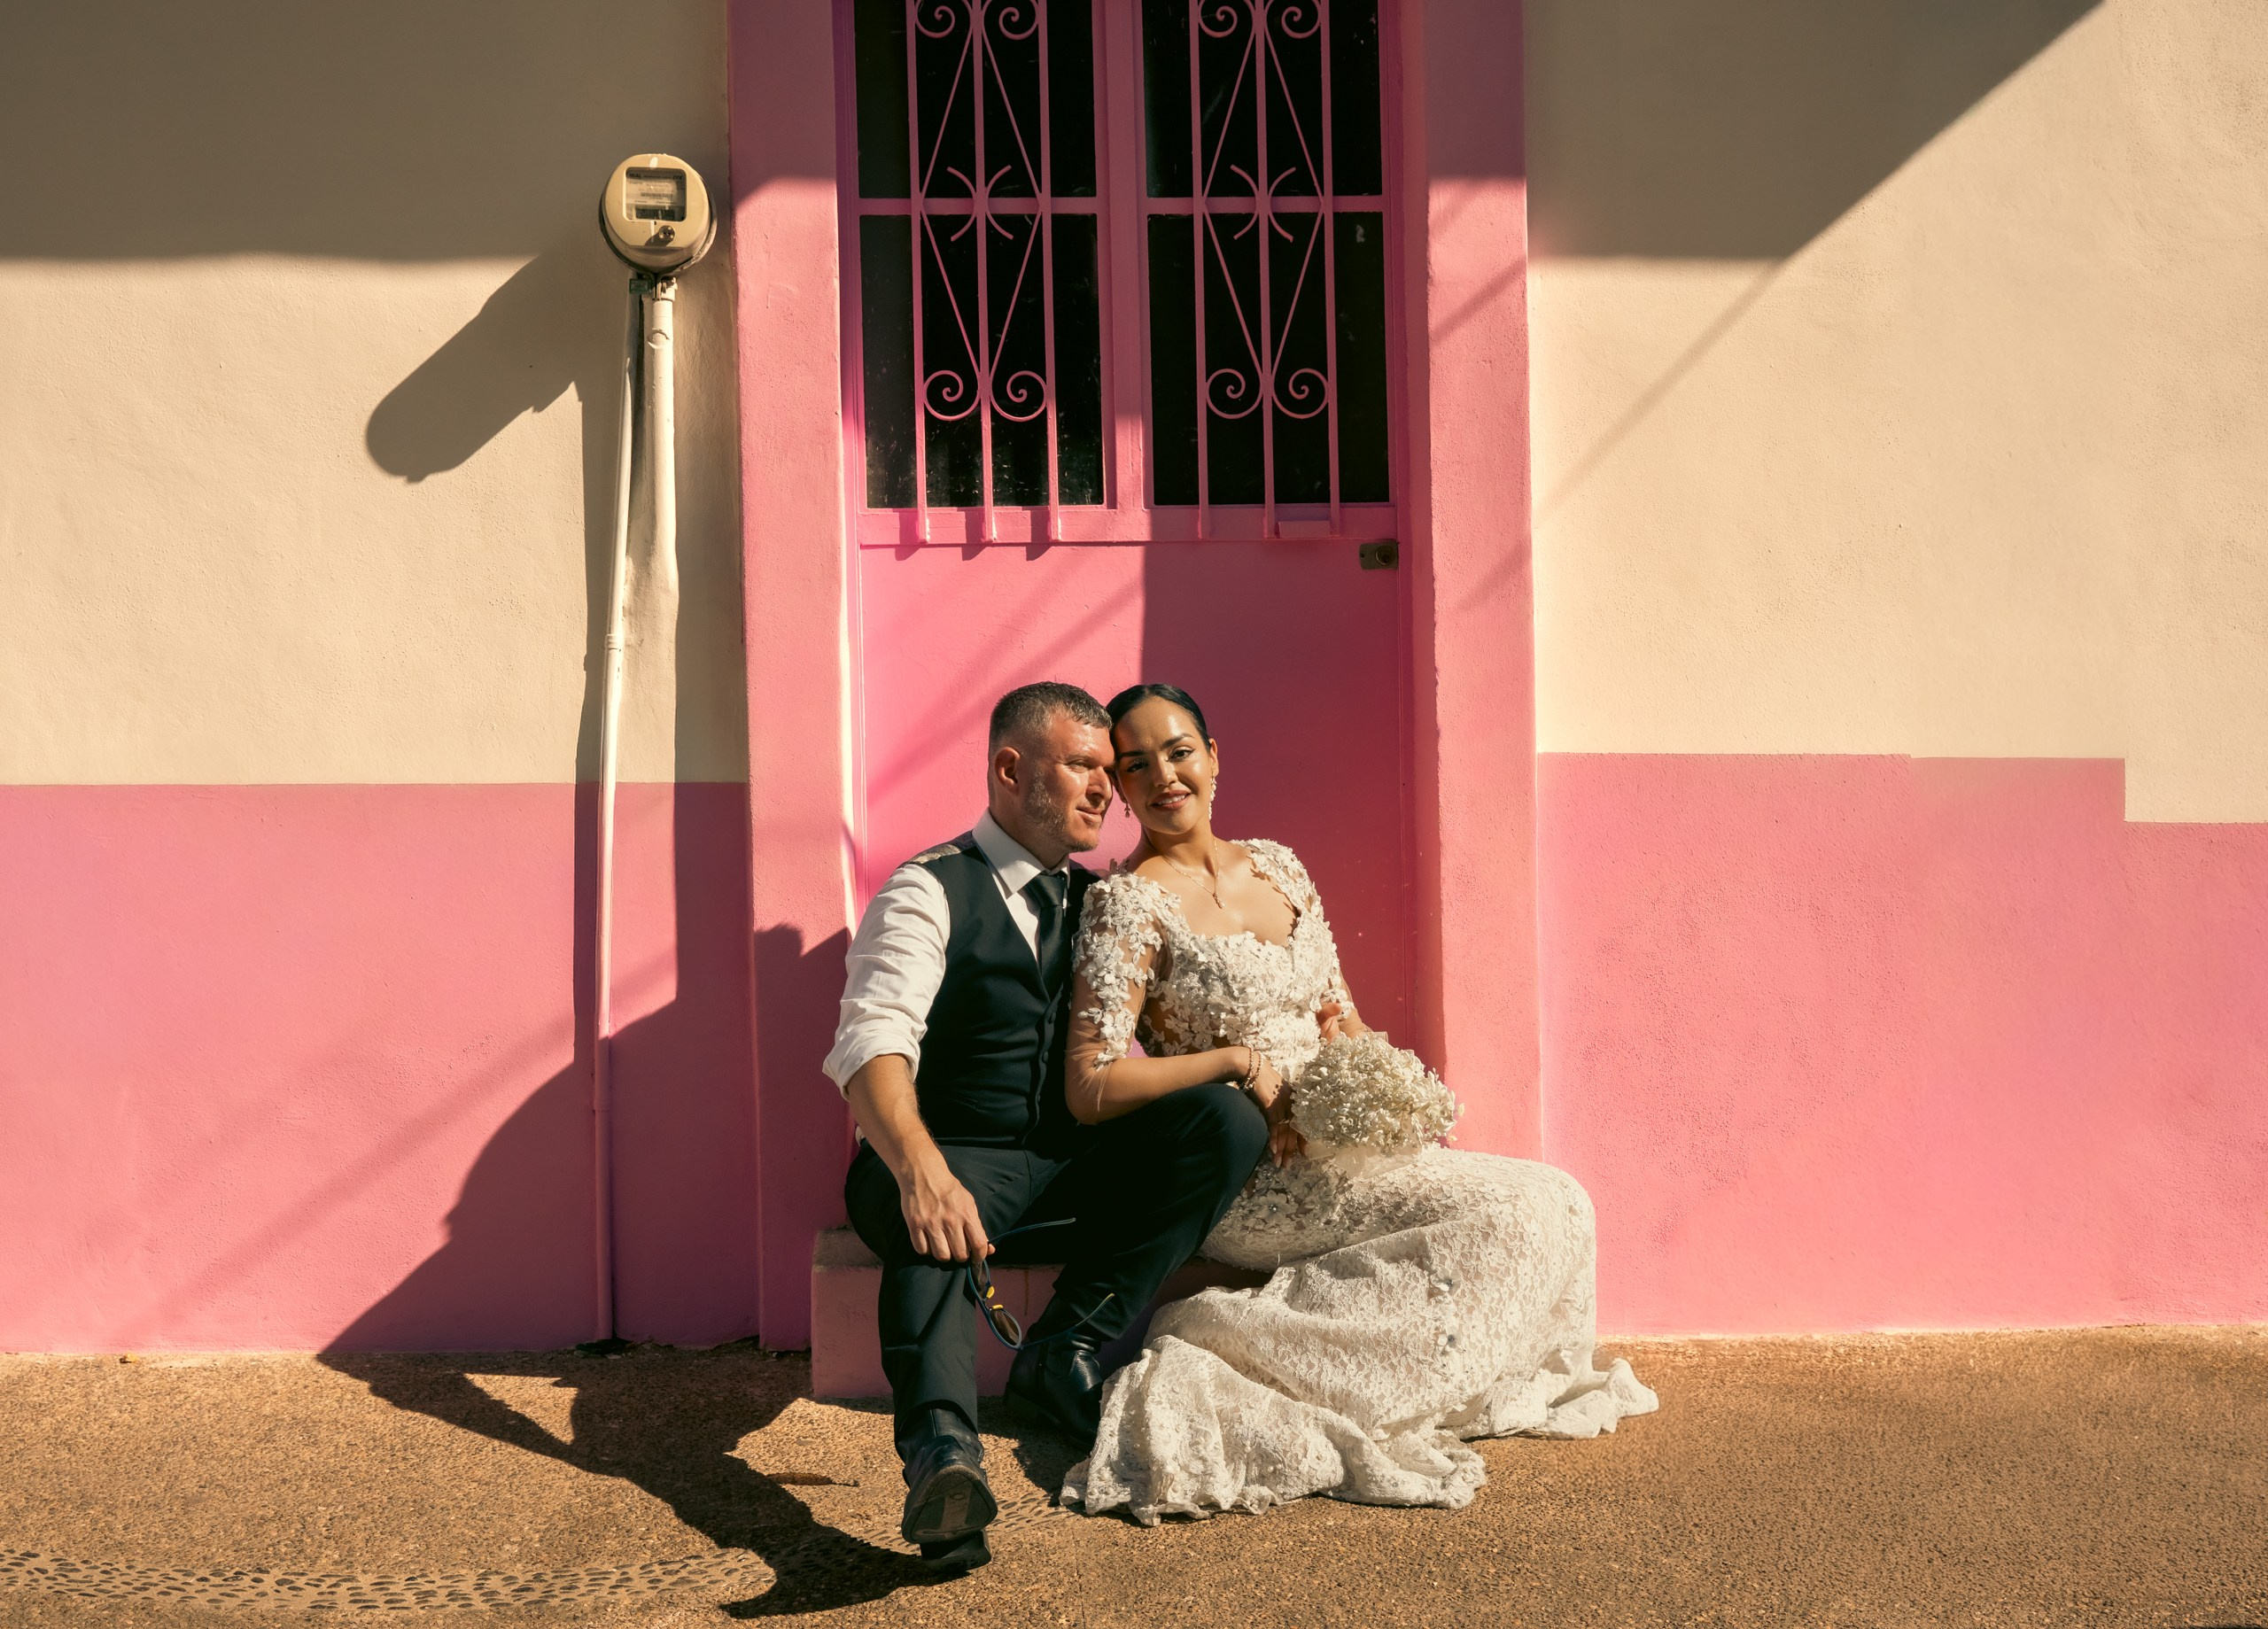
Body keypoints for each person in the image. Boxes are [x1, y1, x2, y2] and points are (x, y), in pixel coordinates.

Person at [1056, 683, 1658, 1523]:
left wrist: (1393, 1095)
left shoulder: (1278, 864)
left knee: (1556, 1198)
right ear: (1121, 787)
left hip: (1348, 1140)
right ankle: (1217, 1340)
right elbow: (1089, 1085)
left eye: (1180, 749)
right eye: (1137, 763)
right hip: (1259, 1175)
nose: (1165, 775)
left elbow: (1340, 1017)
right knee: (1517, 1214)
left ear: (1215, 755)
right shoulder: (1128, 904)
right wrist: (1234, 1061)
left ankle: (1418, 1370)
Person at [826, 681, 1269, 1571]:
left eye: (1112, 771)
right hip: (949, 1156)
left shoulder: (1102, 899)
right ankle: (943, 1466)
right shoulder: (928, 890)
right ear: (1009, 769)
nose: (1108, 789)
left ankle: (1063, 1345)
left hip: (1067, 1169)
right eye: (1083, 767)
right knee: (936, 1228)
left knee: (1222, 1122)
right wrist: (919, 1166)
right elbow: (869, 1042)